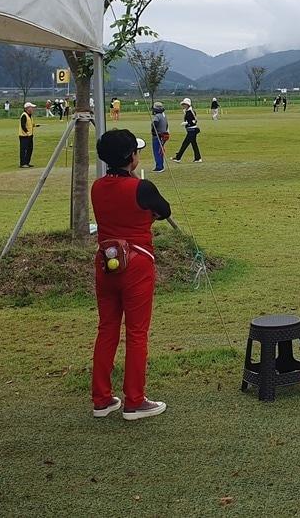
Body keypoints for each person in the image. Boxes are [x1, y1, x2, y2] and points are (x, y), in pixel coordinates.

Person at [90, 129, 170, 421]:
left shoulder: (97, 186)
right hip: (137, 263)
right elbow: (163, 210)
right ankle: (134, 400)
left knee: (107, 329)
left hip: (106, 262)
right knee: (137, 333)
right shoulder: (142, 187)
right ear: (130, 157)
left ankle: (101, 399)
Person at [173, 98, 202, 163]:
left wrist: (187, 123)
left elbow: (195, 121)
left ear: (188, 105)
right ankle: (198, 158)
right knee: (194, 144)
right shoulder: (187, 111)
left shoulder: (191, 111)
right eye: (183, 104)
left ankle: (178, 158)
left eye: (185, 104)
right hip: (190, 130)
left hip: (192, 130)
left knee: (185, 144)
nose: (183, 105)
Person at [150, 102, 169, 173]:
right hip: (163, 135)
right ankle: (161, 165)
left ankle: (159, 167)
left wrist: (153, 131)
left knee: (157, 151)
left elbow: (155, 123)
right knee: (160, 151)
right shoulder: (163, 116)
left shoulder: (157, 116)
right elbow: (167, 125)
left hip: (157, 135)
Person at [17, 101, 37, 168]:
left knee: (30, 149)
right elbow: (23, 125)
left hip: (30, 136)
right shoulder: (24, 115)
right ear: (27, 108)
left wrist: (34, 125)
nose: (33, 109)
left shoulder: (30, 116)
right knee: (23, 150)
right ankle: (22, 163)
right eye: (31, 108)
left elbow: (29, 124)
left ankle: (27, 162)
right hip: (24, 136)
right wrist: (27, 132)